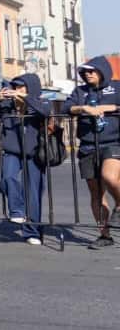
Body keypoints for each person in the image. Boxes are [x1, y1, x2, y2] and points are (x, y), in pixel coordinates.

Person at [0, 74, 47, 245]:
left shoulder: (39, 102)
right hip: (12, 151)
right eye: (15, 87)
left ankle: (32, 231)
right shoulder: (7, 105)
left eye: (21, 87)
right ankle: (17, 211)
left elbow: (46, 112)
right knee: (8, 178)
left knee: (33, 192)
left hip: (34, 152)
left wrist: (26, 98)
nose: (17, 90)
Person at [66, 57, 120, 250]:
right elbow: (66, 108)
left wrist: (112, 107)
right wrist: (83, 108)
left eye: (91, 71)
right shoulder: (80, 91)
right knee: (96, 193)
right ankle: (104, 235)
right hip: (88, 146)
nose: (87, 74)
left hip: (113, 142)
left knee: (110, 177)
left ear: (102, 70)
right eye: (84, 72)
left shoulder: (116, 87)